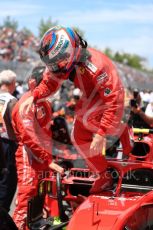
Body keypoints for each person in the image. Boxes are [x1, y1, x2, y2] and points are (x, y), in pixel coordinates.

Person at [32, 26, 125, 193]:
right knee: (78, 133)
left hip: (111, 97)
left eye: (58, 63)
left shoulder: (97, 66)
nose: (55, 67)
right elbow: (49, 82)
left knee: (88, 123)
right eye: (52, 64)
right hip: (91, 96)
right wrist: (35, 95)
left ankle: (121, 148)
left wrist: (101, 133)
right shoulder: (63, 61)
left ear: (70, 52)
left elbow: (115, 99)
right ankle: (102, 173)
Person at [12, 66, 64, 229]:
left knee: (40, 195)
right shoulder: (26, 104)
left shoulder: (44, 103)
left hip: (44, 156)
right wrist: (47, 159)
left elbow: (45, 132)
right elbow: (29, 137)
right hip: (30, 156)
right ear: (35, 83)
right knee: (27, 198)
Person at [0, 70, 18, 212]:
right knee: (8, 181)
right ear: (12, 84)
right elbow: (17, 125)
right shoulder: (12, 101)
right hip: (7, 144)